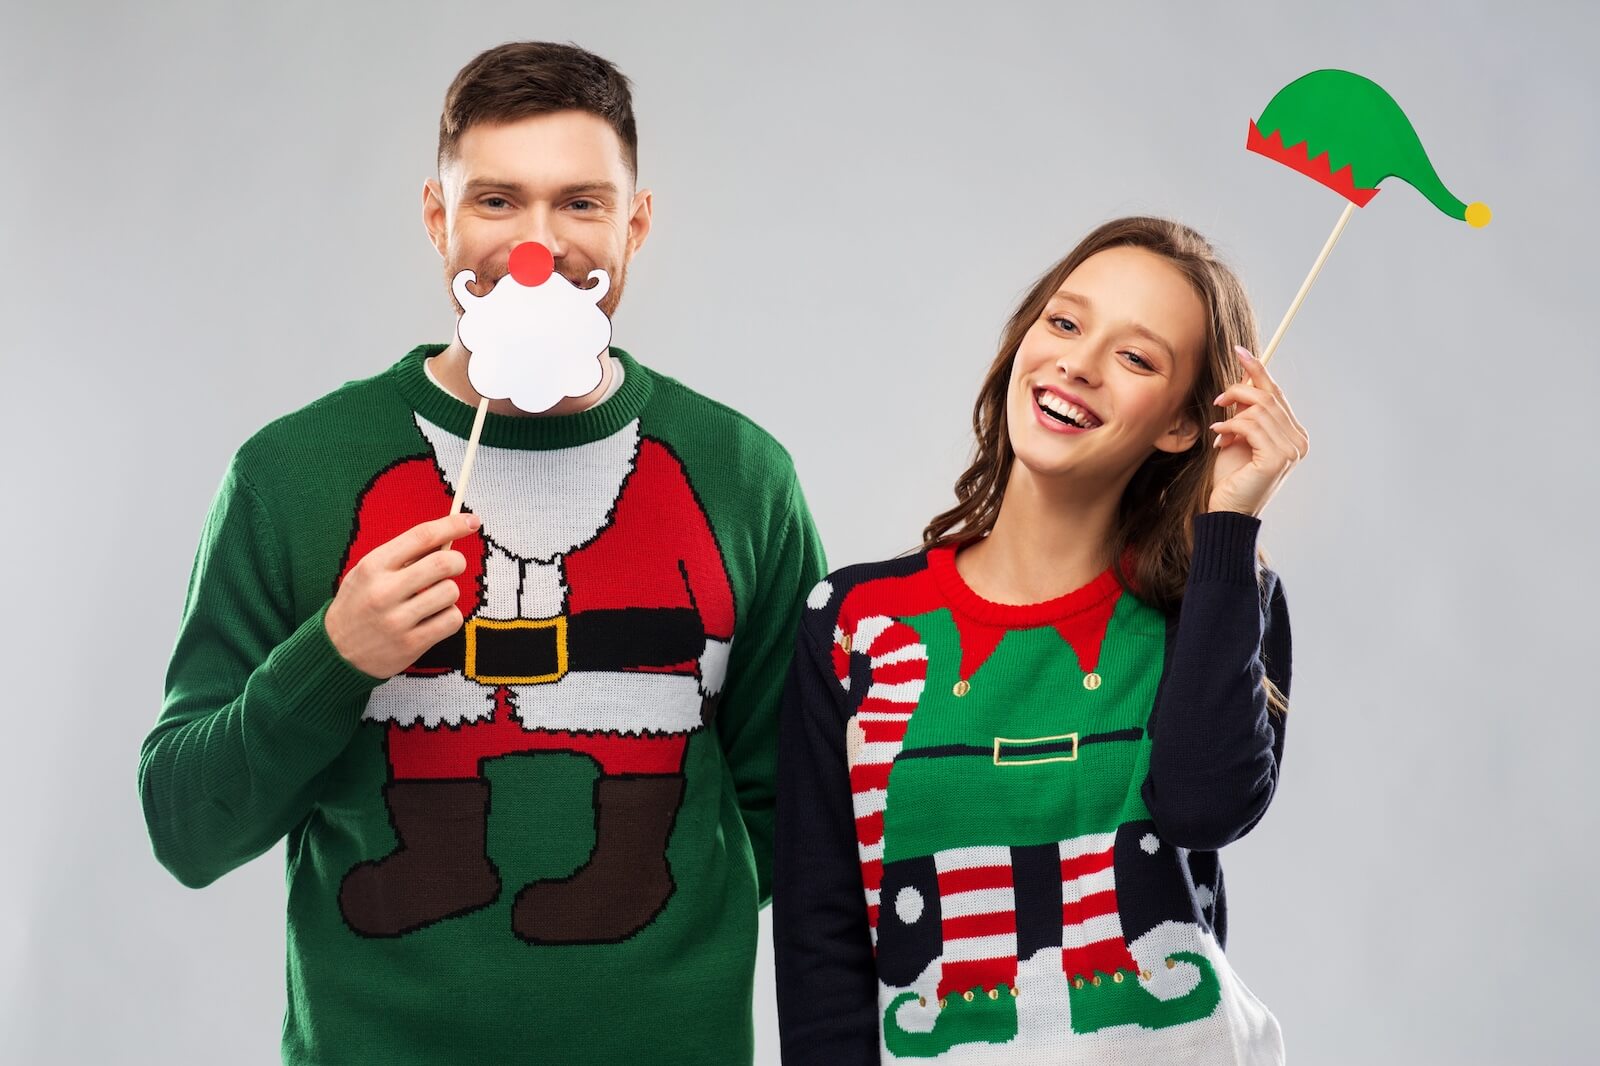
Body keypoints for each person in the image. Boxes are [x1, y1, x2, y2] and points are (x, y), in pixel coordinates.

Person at [140, 41, 824, 1065]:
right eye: (497, 202)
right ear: (437, 218)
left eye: (581, 204)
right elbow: (188, 828)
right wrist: (334, 656)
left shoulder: (740, 474)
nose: (536, 247)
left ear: (636, 224)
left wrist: (660, 928)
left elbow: (795, 802)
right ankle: (439, 852)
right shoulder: (292, 474)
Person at [774, 216, 1306, 1065]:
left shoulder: (1214, 604)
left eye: (1137, 358)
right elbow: (821, 935)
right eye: (1064, 322)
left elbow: (1207, 809)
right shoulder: (852, 622)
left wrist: (1229, 527)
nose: (1079, 363)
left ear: (1180, 425)